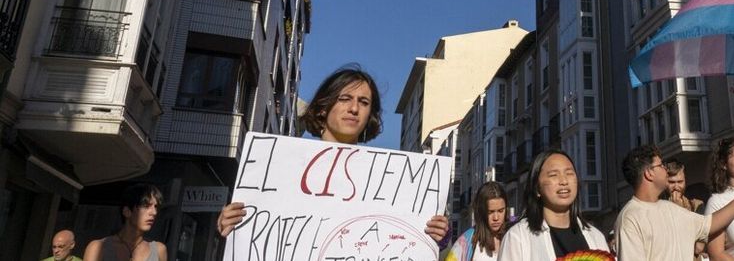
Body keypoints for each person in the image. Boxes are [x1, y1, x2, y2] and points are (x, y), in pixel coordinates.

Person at [217, 66, 449, 242]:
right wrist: (232, 224)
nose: (354, 108)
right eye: (345, 98)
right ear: (323, 108)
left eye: (364, 102)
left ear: (371, 115)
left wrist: (436, 235)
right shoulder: (282, 165)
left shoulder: (391, 183)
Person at [614, 144, 734, 261]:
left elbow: (711, 223)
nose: (665, 170)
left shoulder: (672, 209)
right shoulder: (630, 218)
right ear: (649, 173)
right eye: (660, 165)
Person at [497, 149, 608, 259]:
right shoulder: (518, 237)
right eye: (553, 175)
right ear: (536, 188)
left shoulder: (596, 237)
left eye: (569, 173)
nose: (564, 181)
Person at [83, 184, 168, 261]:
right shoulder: (98, 247)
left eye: (156, 207)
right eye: (146, 206)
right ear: (127, 211)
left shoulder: (159, 250)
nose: (154, 212)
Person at [444, 181, 508, 261]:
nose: (496, 218)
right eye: (490, 212)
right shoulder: (466, 242)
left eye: (500, 211)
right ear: (481, 211)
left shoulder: (514, 237)